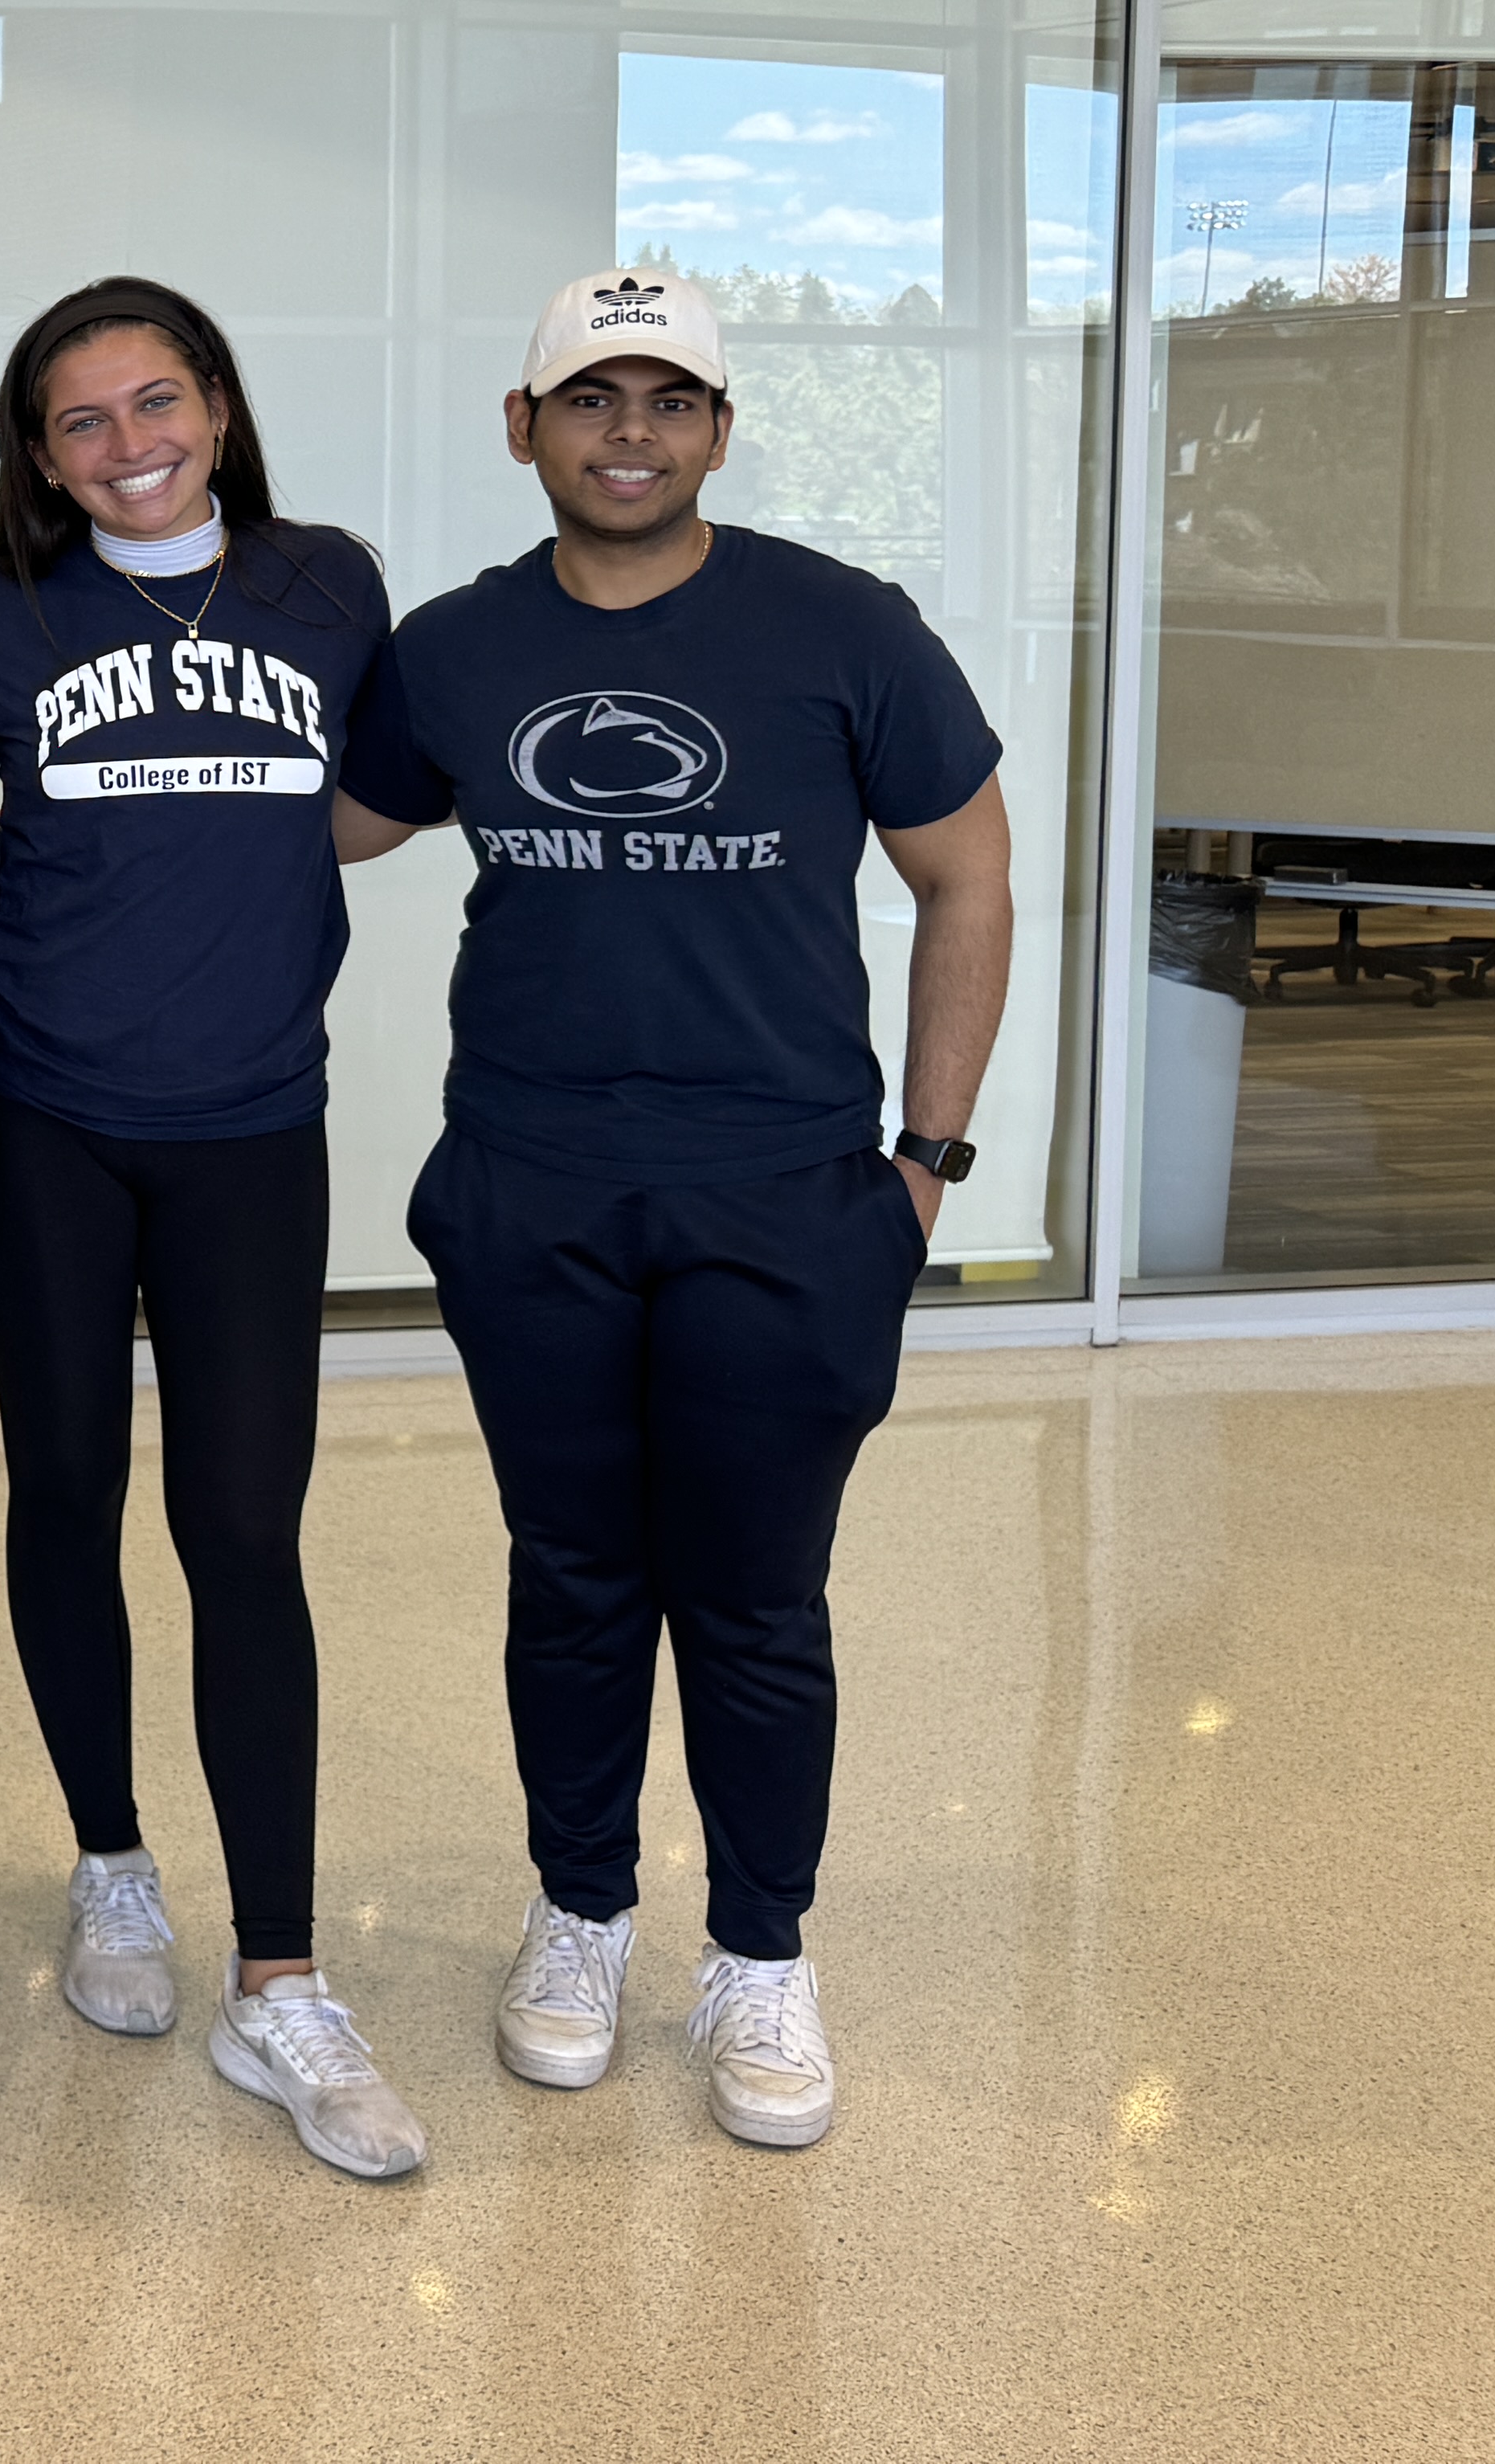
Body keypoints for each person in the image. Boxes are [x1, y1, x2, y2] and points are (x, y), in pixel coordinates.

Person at [337, 266, 1012, 2152]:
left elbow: (971, 879)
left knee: (755, 1597)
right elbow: (314, 822)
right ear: (523, 427)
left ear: (718, 431)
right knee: (571, 1579)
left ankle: (762, 1957)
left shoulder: (842, 628)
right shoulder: (457, 648)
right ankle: (580, 1916)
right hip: (529, 1189)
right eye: (590, 399)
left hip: (788, 1200)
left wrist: (924, 1170)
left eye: (666, 402)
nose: (627, 433)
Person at [0, 276, 426, 2181]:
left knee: (243, 1533)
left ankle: (282, 1977)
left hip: (247, 1135)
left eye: (157, 403)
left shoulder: (327, 587)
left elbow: (365, 803)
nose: (127, 446)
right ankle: (113, 1871)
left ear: (215, 404)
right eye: (82, 422)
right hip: (45, 1126)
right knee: (65, 1493)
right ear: (37, 454)